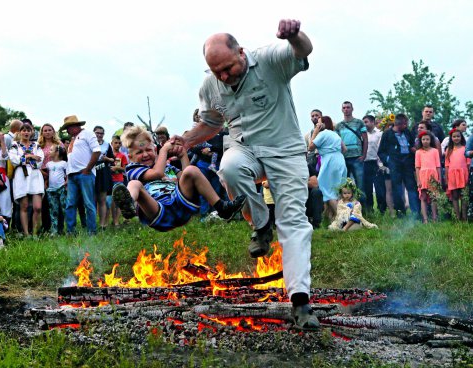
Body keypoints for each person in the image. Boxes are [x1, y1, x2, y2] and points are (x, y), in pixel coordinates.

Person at [169, 20, 318, 330]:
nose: (224, 77)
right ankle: (261, 225)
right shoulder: (211, 84)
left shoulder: (270, 59)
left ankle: (300, 302)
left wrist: (294, 36)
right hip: (245, 148)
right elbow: (211, 123)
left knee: (292, 221)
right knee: (229, 167)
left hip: (285, 151)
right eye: (216, 71)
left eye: (227, 68)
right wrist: (187, 139)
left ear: (241, 52)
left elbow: (304, 51)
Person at [113, 126, 245, 231]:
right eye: (139, 152)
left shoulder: (167, 167)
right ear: (130, 157)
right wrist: (164, 151)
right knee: (134, 183)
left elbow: (188, 178)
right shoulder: (133, 168)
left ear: (154, 150)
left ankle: (221, 207)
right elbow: (156, 174)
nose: (145, 154)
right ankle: (128, 203)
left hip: (181, 205)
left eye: (148, 150)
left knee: (191, 170)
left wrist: (183, 156)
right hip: (158, 210)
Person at [62, 115, 100, 235]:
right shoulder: (73, 139)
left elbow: (97, 151)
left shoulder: (88, 134)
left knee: (88, 203)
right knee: (70, 204)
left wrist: (88, 169)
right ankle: (70, 231)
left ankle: (92, 231)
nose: (67, 130)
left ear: (75, 126)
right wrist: (68, 177)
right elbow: (71, 160)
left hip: (85, 174)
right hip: (72, 175)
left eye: (68, 127)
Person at [378, 113, 419, 218]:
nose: (406, 126)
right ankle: (401, 212)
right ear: (398, 124)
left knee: (411, 187)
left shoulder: (407, 132)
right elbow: (381, 151)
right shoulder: (387, 134)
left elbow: (411, 145)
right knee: (397, 189)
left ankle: (416, 212)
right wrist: (389, 161)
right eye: (405, 124)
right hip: (395, 165)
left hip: (407, 164)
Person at [308, 116, 347, 221]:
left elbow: (310, 147)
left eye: (319, 123)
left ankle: (343, 219)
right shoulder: (335, 134)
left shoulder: (323, 134)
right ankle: (332, 219)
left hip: (329, 162)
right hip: (340, 160)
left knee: (327, 190)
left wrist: (316, 131)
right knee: (336, 190)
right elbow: (344, 149)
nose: (317, 124)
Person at [9, 122, 45, 237]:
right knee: (23, 206)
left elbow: (40, 161)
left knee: (37, 207)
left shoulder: (36, 145)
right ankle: (26, 233)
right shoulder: (15, 145)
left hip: (35, 176)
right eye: (23, 130)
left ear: (32, 132)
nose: (26, 132)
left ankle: (35, 233)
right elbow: (14, 160)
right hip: (21, 176)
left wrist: (24, 158)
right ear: (19, 132)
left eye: (28, 130)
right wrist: (29, 156)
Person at [336, 101, 368, 202]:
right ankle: (345, 209)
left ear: (352, 109)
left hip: (357, 157)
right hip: (344, 159)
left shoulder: (359, 123)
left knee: (360, 186)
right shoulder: (338, 126)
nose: (346, 109)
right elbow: (337, 143)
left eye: (348, 107)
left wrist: (363, 155)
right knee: (344, 186)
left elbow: (365, 139)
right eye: (344, 108)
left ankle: (363, 212)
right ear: (342, 110)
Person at [38, 123, 63, 233]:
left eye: (49, 130)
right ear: (42, 132)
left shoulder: (59, 144)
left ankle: (60, 227)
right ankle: (46, 227)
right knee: (45, 203)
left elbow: (64, 160)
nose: (47, 132)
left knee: (58, 202)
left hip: (57, 176)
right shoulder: (39, 145)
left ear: (53, 131)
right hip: (42, 174)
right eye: (45, 130)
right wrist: (44, 174)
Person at [362, 115, 387, 214]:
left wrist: (381, 165)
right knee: (367, 189)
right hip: (365, 163)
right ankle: (369, 210)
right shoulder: (362, 135)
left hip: (376, 163)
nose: (364, 124)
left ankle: (382, 210)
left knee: (380, 188)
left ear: (372, 122)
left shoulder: (380, 134)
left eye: (366, 122)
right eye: (363, 122)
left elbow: (381, 150)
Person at [415, 131, 441, 223]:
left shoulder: (435, 151)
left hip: (433, 175)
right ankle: (425, 219)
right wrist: (418, 180)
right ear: (421, 141)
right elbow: (417, 167)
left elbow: (438, 166)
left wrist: (439, 179)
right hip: (423, 176)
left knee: (434, 197)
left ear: (430, 140)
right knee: (423, 197)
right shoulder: (418, 152)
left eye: (427, 139)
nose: (425, 141)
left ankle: (434, 217)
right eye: (423, 139)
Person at [445, 128, 470, 220]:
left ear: (461, 137)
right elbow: (447, 165)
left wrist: (468, 177)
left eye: (458, 136)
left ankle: (464, 217)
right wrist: (447, 178)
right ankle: (457, 217)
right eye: (454, 136)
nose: (456, 138)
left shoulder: (465, 149)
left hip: (463, 174)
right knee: (455, 196)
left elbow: (468, 164)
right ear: (451, 138)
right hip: (452, 175)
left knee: (464, 196)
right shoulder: (449, 150)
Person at [93, 126, 115, 230]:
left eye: (101, 133)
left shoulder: (107, 145)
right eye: (97, 133)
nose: (99, 135)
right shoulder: (90, 143)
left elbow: (113, 160)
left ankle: (102, 225)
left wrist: (106, 158)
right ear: (93, 133)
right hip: (91, 171)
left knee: (102, 199)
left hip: (103, 172)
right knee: (92, 200)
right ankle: (92, 224)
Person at [43, 145, 68, 235]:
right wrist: (46, 183)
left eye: (51, 150)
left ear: (57, 152)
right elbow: (48, 176)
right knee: (53, 210)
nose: (49, 151)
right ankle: (54, 230)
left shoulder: (64, 163)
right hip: (51, 190)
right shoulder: (48, 164)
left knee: (65, 209)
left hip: (61, 188)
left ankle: (69, 229)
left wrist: (67, 182)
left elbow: (67, 174)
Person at [109, 135, 128, 227]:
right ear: (111, 143)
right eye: (115, 143)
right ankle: (114, 219)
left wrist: (117, 167)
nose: (117, 144)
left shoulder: (122, 156)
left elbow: (124, 169)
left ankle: (116, 221)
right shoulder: (108, 155)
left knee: (119, 201)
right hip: (109, 180)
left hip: (119, 180)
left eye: (119, 143)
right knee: (111, 201)